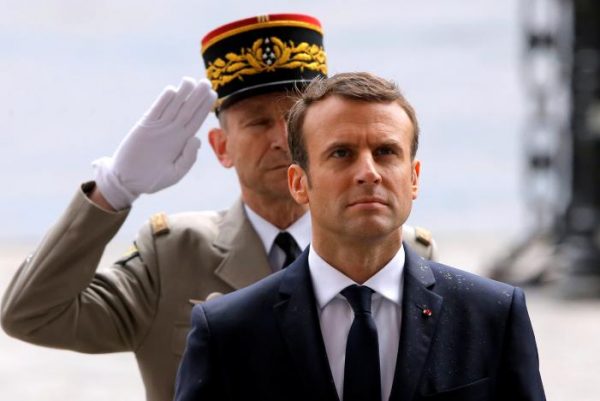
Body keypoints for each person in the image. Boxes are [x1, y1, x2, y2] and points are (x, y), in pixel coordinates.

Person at [0, 14, 437, 401]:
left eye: (292, 122)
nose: (280, 139)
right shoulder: (175, 255)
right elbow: (31, 315)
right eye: (258, 122)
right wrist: (113, 191)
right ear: (221, 146)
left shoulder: (399, 252)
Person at [174, 72, 546, 401]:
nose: (368, 172)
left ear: (413, 178)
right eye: (342, 153)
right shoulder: (228, 332)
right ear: (299, 183)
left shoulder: (491, 315)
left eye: (386, 152)